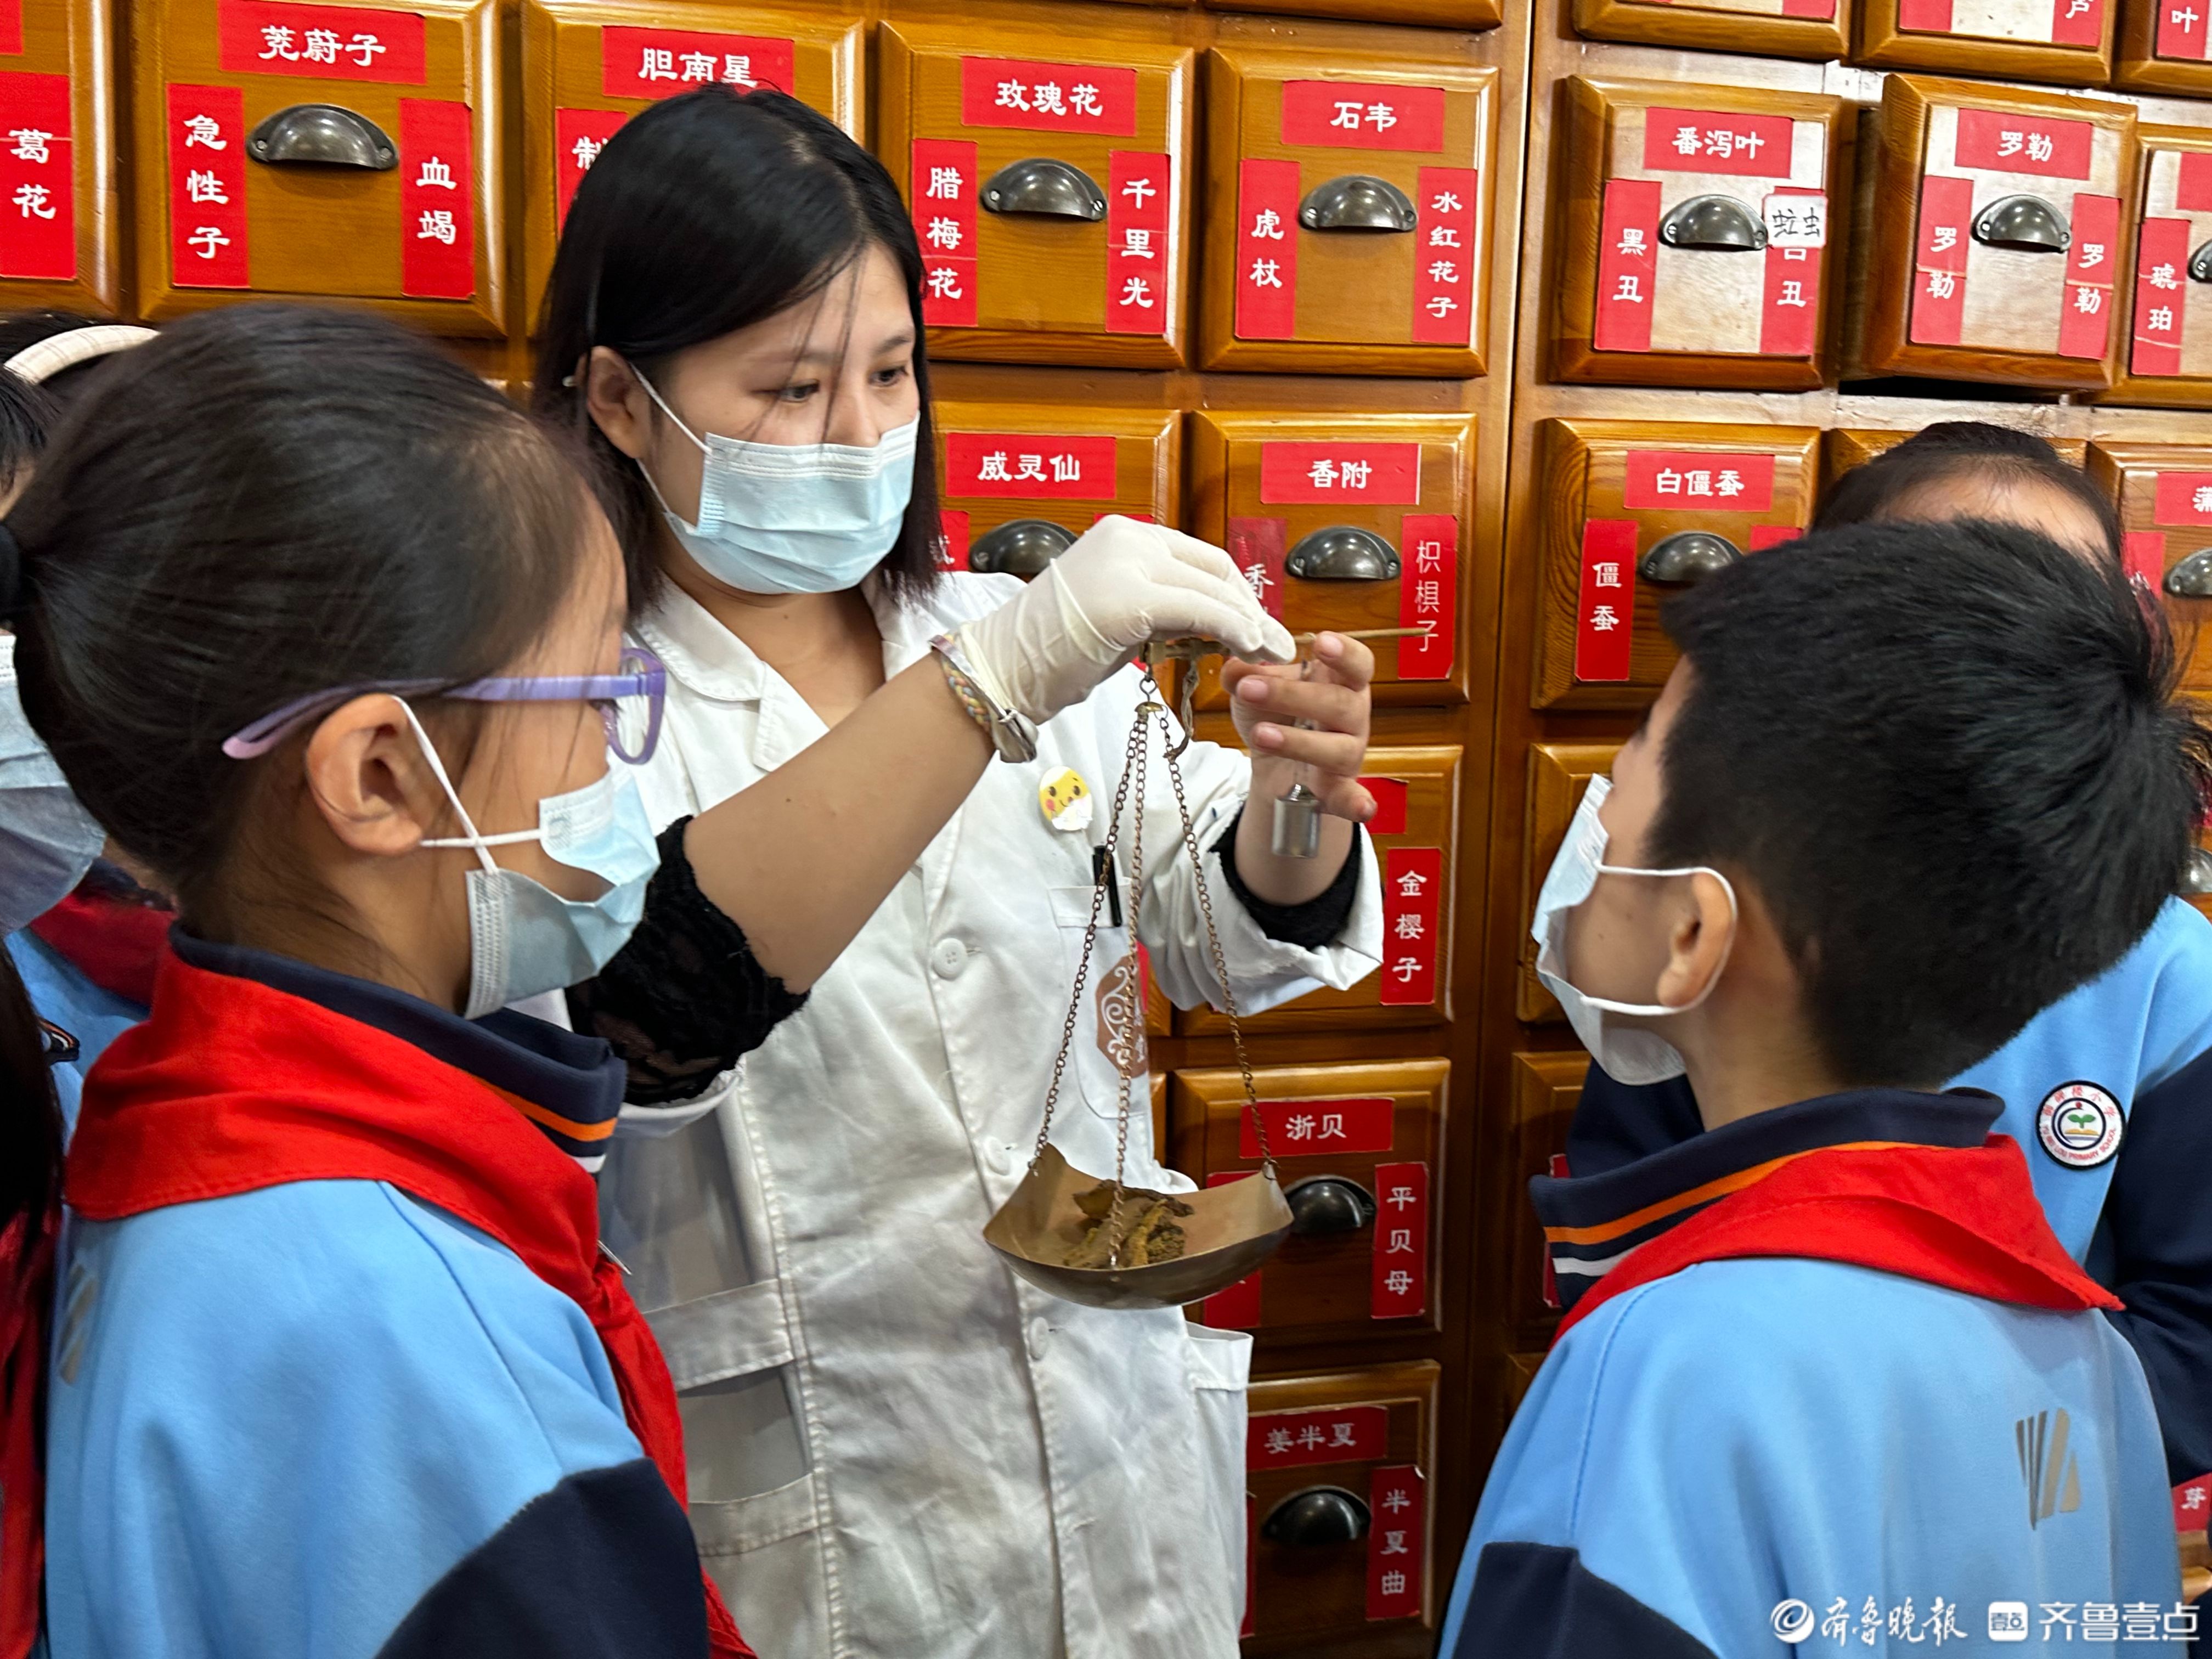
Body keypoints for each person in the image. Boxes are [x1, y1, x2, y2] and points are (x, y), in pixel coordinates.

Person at [13, 302, 1290, 1659]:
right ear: (380, 775)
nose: (614, 763)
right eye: (589, 700)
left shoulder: (171, 1139)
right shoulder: (412, 1326)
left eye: (891, 371)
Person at [536, 86, 1384, 1658]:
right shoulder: (569, 709)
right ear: (620, 400)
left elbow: (1230, 925)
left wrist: (1296, 800)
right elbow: (625, 1034)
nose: (861, 433)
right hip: (822, 1504)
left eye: (890, 371)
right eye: (791, 388)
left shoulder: (997, 626)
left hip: (1115, 1456)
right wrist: (1003, 679)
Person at [1443, 518, 2205, 1655]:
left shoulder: (1665, 1371)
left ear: (1693, 933)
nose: (1592, 822)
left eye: (1630, 770)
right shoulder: (2085, 1353)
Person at [1565, 421, 2212, 1494]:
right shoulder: (1713, 936)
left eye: (2054, 615)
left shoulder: (2176, 985)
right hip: (1735, 1461)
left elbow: (2196, 1340)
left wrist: (1967, 1481)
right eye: (1928, 612)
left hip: (2036, 1506)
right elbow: (1618, 1245)